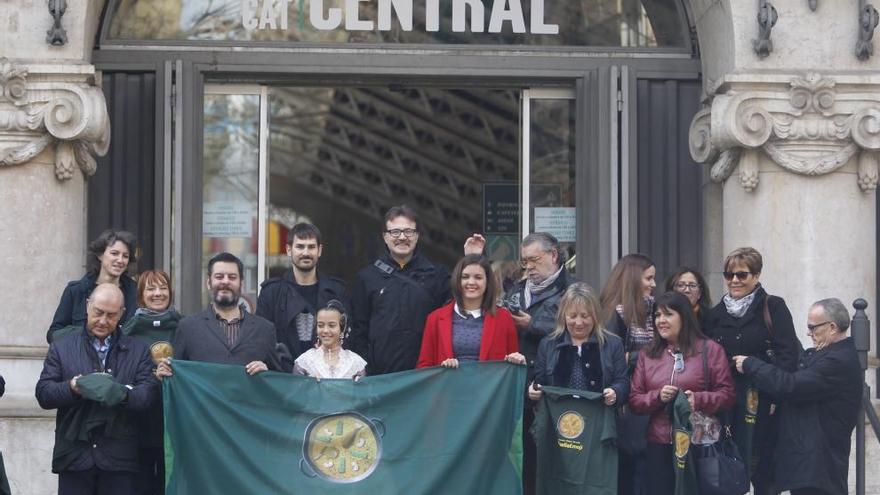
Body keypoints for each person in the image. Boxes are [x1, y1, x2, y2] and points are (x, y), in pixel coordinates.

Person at [35, 284, 157, 494]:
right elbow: (44, 394)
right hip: (74, 456)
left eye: (111, 315)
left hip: (119, 458)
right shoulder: (62, 346)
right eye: (98, 312)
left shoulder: (138, 350)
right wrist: (73, 387)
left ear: (122, 314)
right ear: (87, 306)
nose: (102, 320)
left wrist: (121, 393)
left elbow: (147, 396)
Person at [732, 298, 861, 495]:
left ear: (832, 327)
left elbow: (790, 386)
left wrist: (751, 364)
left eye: (813, 327)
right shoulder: (826, 354)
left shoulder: (838, 361)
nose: (809, 332)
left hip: (820, 469)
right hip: (810, 464)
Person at [704, 247, 801, 495]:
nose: (734, 280)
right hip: (726, 404)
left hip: (765, 401)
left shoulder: (773, 307)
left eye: (742, 275)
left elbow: (788, 355)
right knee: (727, 465)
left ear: (756, 276)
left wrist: (775, 397)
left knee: (764, 469)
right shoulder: (714, 315)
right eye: (729, 275)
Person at [348, 205, 485, 375]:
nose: (402, 237)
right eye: (395, 232)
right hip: (379, 379)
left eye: (409, 232)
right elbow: (358, 330)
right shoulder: (367, 278)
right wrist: (363, 367)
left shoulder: (436, 275)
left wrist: (471, 259)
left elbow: (467, 299)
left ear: (417, 236)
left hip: (426, 376)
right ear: (385, 237)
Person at [629, 291, 736, 495]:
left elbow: (728, 395)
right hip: (659, 442)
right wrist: (658, 397)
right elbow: (635, 400)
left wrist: (698, 399)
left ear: (684, 317)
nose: (661, 321)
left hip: (700, 442)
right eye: (657, 315)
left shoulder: (710, 350)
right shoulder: (647, 355)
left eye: (668, 314)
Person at [500, 232, 573, 495]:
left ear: (553, 255)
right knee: (523, 463)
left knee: (556, 465)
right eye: (524, 261)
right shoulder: (515, 292)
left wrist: (533, 325)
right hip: (518, 388)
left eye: (534, 259)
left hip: (556, 388)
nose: (528, 266)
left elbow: (580, 330)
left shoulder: (574, 290)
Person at [155, 252, 281, 379]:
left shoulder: (265, 329)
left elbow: (280, 382)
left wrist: (268, 372)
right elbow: (177, 376)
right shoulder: (188, 327)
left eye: (232, 277)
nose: (225, 281)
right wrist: (165, 376)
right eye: (219, 277)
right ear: (208, 283)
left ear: (241, 284)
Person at [599, 253, 656, 495]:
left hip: (646, 400)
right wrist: (649, 356)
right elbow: (612, 361)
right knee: (632, 470)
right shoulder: (615, 314)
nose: (654, 284)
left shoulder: (651, 309)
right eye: (649, 278)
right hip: (627, 404)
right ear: (633, 279)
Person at [121, 269, 181, 495]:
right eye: (151, 288)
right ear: (140, 295)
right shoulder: (127, 331)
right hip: (139, 424)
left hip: (174, 423)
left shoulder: (184, 327)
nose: (158, 293)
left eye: (163, 288)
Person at [257, 223, 347, 370]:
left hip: (326, 380)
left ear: (319, 250)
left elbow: (348, 340)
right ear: (288, 250)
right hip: (282, 381)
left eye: (311, 247)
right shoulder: (271, 293)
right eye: (300, 246)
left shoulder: (337, 292)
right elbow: (261, 340)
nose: (306, 252)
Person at [416, 254, 525, 369]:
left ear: (487, 282)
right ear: (457, 280)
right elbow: (424, 366)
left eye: (478, 277)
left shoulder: (504, 317)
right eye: (465, 277)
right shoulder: (435, 318)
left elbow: (512, 366)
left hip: (488, 386)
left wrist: (518, 360)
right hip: (449, 386)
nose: (471, 282)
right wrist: (442, 369)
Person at [529, 282, 628, 405]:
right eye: (573, 316)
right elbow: (539, 382)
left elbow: (623, 382)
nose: (579, 322)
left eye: (585, 316)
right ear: (563, 316)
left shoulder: (613, 344)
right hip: (559, 418)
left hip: (599, 417)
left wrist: (616, 392)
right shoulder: (548, 344)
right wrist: (534, 390)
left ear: (595, 316)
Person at [48, 229, 139, 343]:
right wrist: (89, 331)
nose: (120, 260)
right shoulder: (76, 291)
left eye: (125, 256)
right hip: (81, 357)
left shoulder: (136, 293)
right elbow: (53, 334)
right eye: (114, 253)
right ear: (100, 255)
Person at [293, 300, 366, 379]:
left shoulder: (355, 363)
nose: (325, 331)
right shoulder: (305, 362)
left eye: (332, 325)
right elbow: (297, 390)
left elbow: (361, 391)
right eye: (320, 325)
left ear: (342, 329)